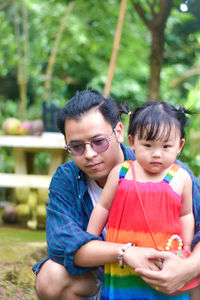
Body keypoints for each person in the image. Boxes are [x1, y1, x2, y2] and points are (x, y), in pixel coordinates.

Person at [33, 89, 200, 300]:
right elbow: (62, 244)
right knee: (51, 277)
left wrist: (187, 268)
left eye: (98, 141)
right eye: (76, 147)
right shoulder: (67, 179)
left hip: (165, 276)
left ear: (119, 132)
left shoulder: (171, 172)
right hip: (103, 280)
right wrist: (126, 252)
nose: (90, 154)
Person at [87, 101, 198, 299]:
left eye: (166, 146)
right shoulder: (121, 173)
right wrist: (90, 237)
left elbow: (186, 214)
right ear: (132, 141)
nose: (156, 153)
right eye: (147, 145)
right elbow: (103, 207)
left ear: (180, 145)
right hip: (124, 265)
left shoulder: (181, 178)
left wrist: (187, 249)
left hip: (165, 260)